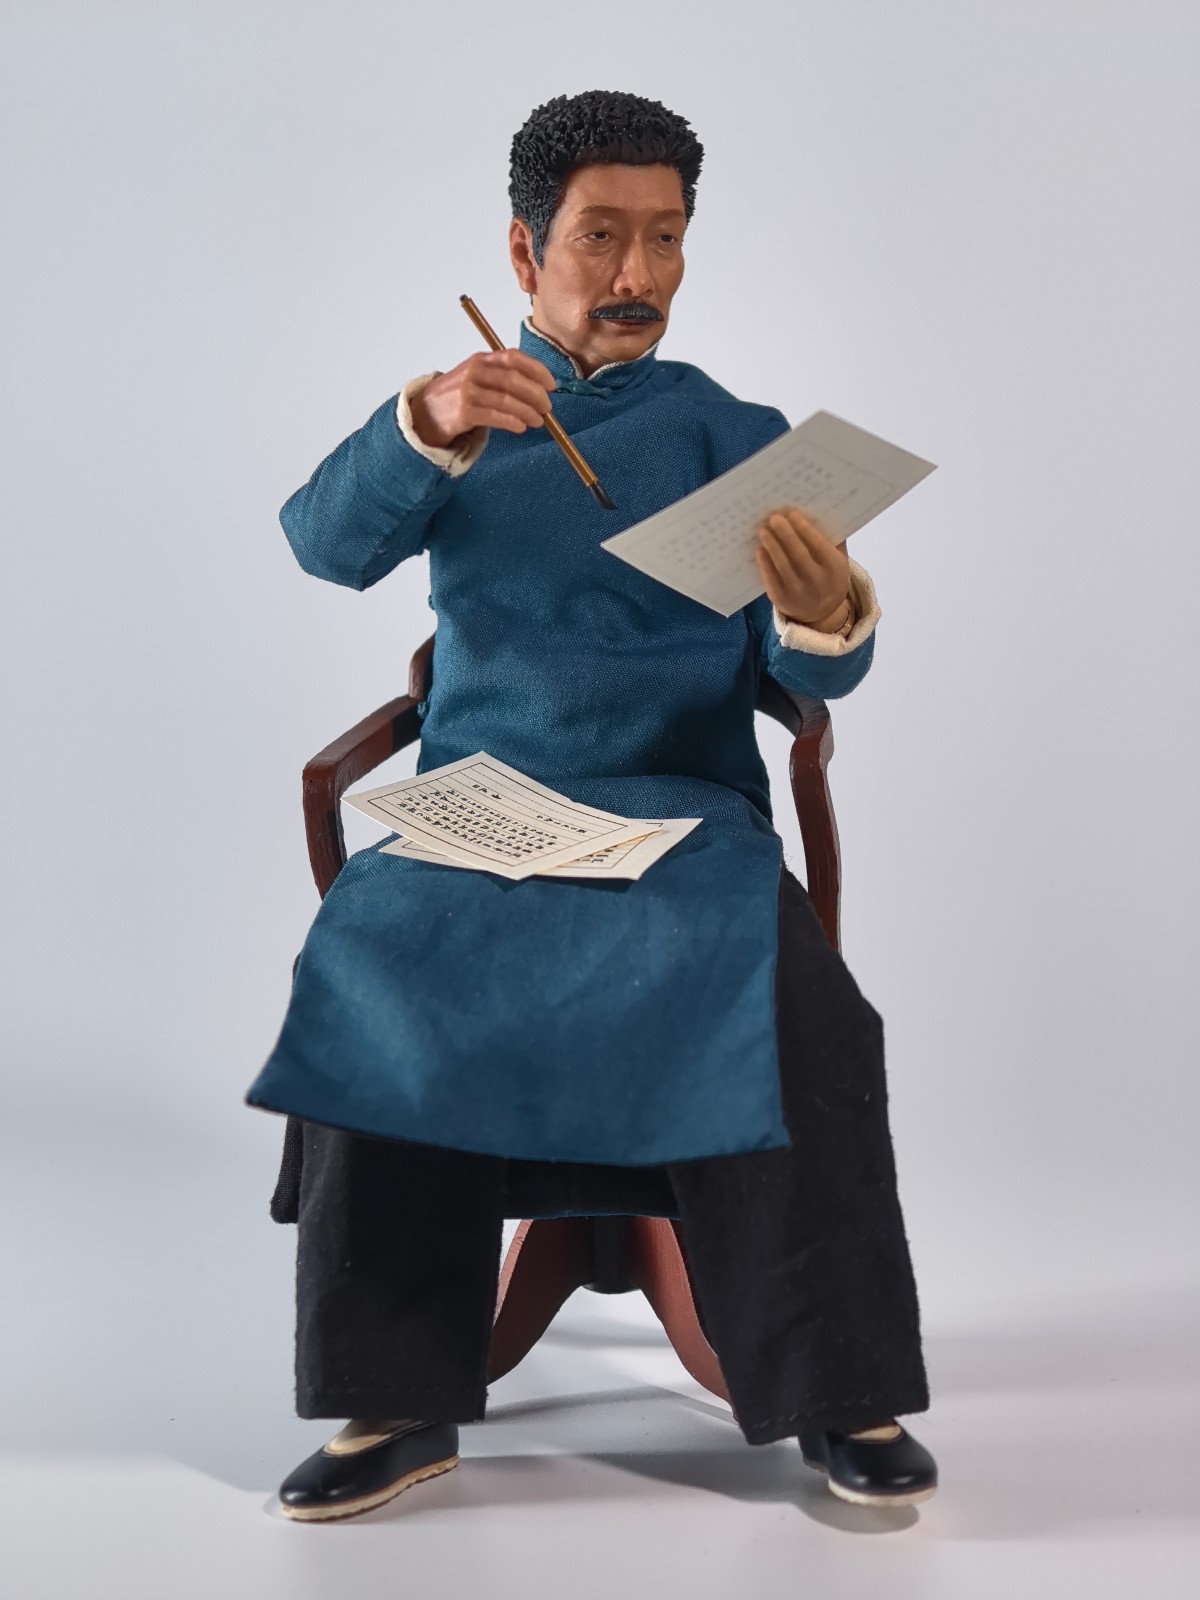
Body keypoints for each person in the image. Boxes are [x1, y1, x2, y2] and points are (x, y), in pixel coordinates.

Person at [247, 89, 938, 1522]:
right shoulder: (469, 419)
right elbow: (320, 543)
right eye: (601, 237)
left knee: (787, 986)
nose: (636, 272)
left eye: (665, 238)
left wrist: (825, 615)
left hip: (684, 814)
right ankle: (396, 1397)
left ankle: (838, 1385)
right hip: (480, 810)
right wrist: (427, 420)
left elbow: (819, 673)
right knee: (378, 954)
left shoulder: (733, 435)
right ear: (524, 250)